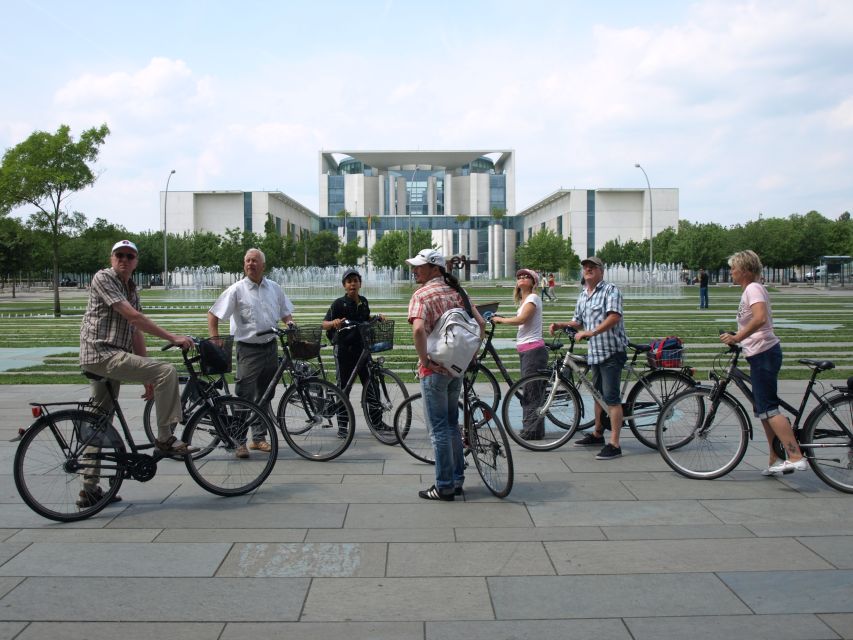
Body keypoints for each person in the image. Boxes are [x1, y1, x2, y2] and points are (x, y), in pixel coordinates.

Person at [79, 240, 195, 507]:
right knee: (166, 371)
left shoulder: (131, 288)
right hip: (103, 354)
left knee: (99, 422)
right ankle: (165, 437)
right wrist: (173, 337)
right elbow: (133, 317)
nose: (124, 259)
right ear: (111, 258)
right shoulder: (104, 278)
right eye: (119, 255)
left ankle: (89, 489)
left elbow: (135, 331)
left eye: (130, 256)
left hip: (109, 356)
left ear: (136, 262)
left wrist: (146, 377)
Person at [407, 248, 485, 500]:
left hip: (434, 370)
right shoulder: (458, 292)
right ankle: (457, 479)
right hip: (455, 369)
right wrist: (469, 356)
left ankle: (444, 486)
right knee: (452, 425)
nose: (415, 270)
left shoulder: (421, 294)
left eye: (420, 266)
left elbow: (418, 330)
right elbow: (480, 325)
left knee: (438, 429)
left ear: (435, 268)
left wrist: (424, 359)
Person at [720, 250, 807, 475]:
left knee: (768, 408)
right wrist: (738, 335)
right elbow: (753, 321)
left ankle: (795, 455)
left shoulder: (753, 288)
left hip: (764, 354)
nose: (731, 272)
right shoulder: (751, 289)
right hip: (759, 353)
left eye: (733, 268)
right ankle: (775, 458)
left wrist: (738, 337)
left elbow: (760, 318)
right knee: (762, 409)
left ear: (746, 271)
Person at [208, 248, 294, 458]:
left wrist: (290, 322)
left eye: (255, 261)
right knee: (244, 395)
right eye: (247, 261)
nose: (250, 264)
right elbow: (213, 314)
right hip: (248, 349)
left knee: (265, 394)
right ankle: (239, 441)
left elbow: (285, 312)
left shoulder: (274, 288)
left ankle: (259, 438)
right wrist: (215, 338)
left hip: (270, 347)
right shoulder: (236, 290)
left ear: (263, 265)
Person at [550, 256, 629, 460]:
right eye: (585, 267)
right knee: (597, 395)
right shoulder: (584, 295)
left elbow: (614, 316)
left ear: (601, 270)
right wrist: (561, 324)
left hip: (612, 351)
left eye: (592, 267)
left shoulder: (610, 290)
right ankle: (597, 433)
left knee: (611, 398)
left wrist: (591, 332)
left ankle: (615, 443)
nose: (588, 270)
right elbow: (577, 321)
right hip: (596, 353)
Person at [321, 268, 385, 438]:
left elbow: (364, 319)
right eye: (349, 282)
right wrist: (333, 322)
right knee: (344, 388)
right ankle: (343, 426)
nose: (352, 284)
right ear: (344, 286)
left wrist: (376, 318)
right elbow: (324, 324)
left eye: (355, 281)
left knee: (372, 385)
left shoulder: (363, 301)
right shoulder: (338, 304)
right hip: (344, 350)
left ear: (360, 284)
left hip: (363, 350)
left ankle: (377, 422)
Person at [493, 268, 547, 439]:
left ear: (533, 282)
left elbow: (522, 319)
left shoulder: (533, 298)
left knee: (531, 391)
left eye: (526, 277)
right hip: (526, 350)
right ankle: (534, 429)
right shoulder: (525, 300)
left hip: (533, 350)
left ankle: (531, 431)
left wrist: (501, 320)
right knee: (530, 390)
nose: (522, 279)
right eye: (519, 277)